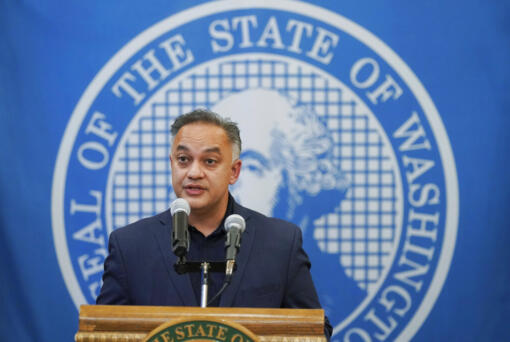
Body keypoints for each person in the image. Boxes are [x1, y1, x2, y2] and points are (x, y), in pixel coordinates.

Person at [97, 108, 332, 338]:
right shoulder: (130, 245)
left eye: (209, 161)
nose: (194, 172)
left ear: (233, 171)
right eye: (183, 159)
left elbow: (314, 331)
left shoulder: (280, 242)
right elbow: (102, 331)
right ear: (172, 164)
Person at [213, 89, 366, 323]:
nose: (227, 183)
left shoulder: (340, 298)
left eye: (253, 167)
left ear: (303, 177)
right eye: (215, 164)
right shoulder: (190, 268)